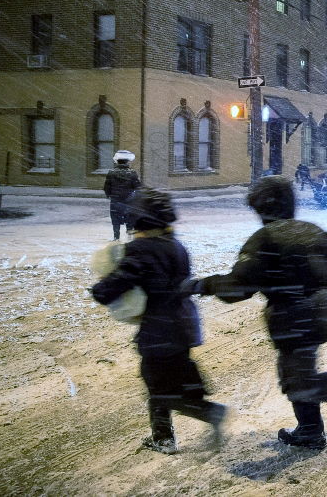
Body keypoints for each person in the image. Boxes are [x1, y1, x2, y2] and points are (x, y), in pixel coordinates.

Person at [185, 176, 327, 451]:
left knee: (301, 384)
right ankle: (310, 430)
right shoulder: (310, 230)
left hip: (292, 316)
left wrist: (202, 285)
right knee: (294, 376)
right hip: (316, 312)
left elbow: (238, 286)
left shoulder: (265, 239)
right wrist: (322, 283)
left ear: (261, 207)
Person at [91, 188, 227, 455]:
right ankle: (165, 434)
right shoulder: (176, 246)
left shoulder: (140, 250)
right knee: (172, 377)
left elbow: (118, 283)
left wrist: (100, 290)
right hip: (182, 324)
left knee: (156, 385)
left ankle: (207, 415)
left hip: (159, 328)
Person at [104, 150, 141, 241]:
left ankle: (116, 237)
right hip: (129, 200)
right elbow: (138, 186)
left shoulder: (111, 172)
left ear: (117, 161)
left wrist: (109, 195)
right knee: (130, 218)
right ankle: (129, 236)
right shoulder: (132, 173)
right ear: (127, 161)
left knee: (115, 219)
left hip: (115, 200)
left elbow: (106, 187)